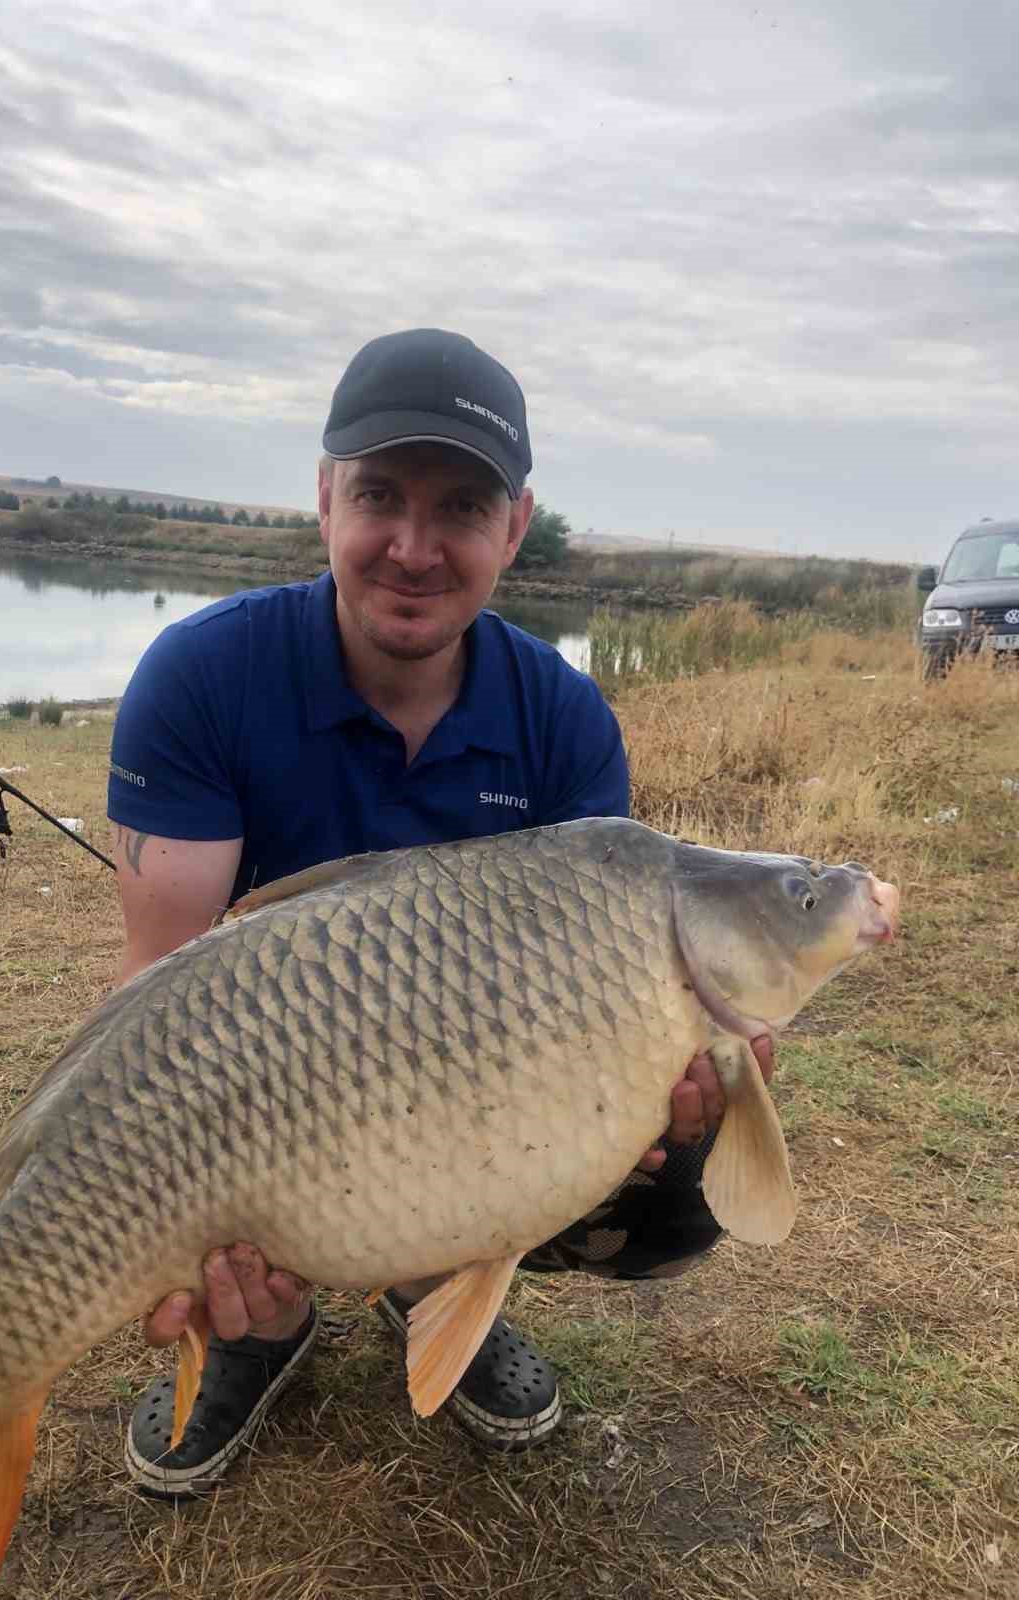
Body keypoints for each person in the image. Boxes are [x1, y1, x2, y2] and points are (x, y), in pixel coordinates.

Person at [106, 327, 773, 1498]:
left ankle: (437, 1292)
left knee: (677, 1164)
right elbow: (162, 1003)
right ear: (323, 499)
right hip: (260, 1099)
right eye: (379, 496)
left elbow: (595, 1011)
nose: (413, 547)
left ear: (515, 526)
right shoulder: (200, 677)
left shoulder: (564, 723)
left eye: (460, 506)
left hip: (468, 1092)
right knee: (195, 1178)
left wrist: (659, 1072)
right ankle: (259, 1324)